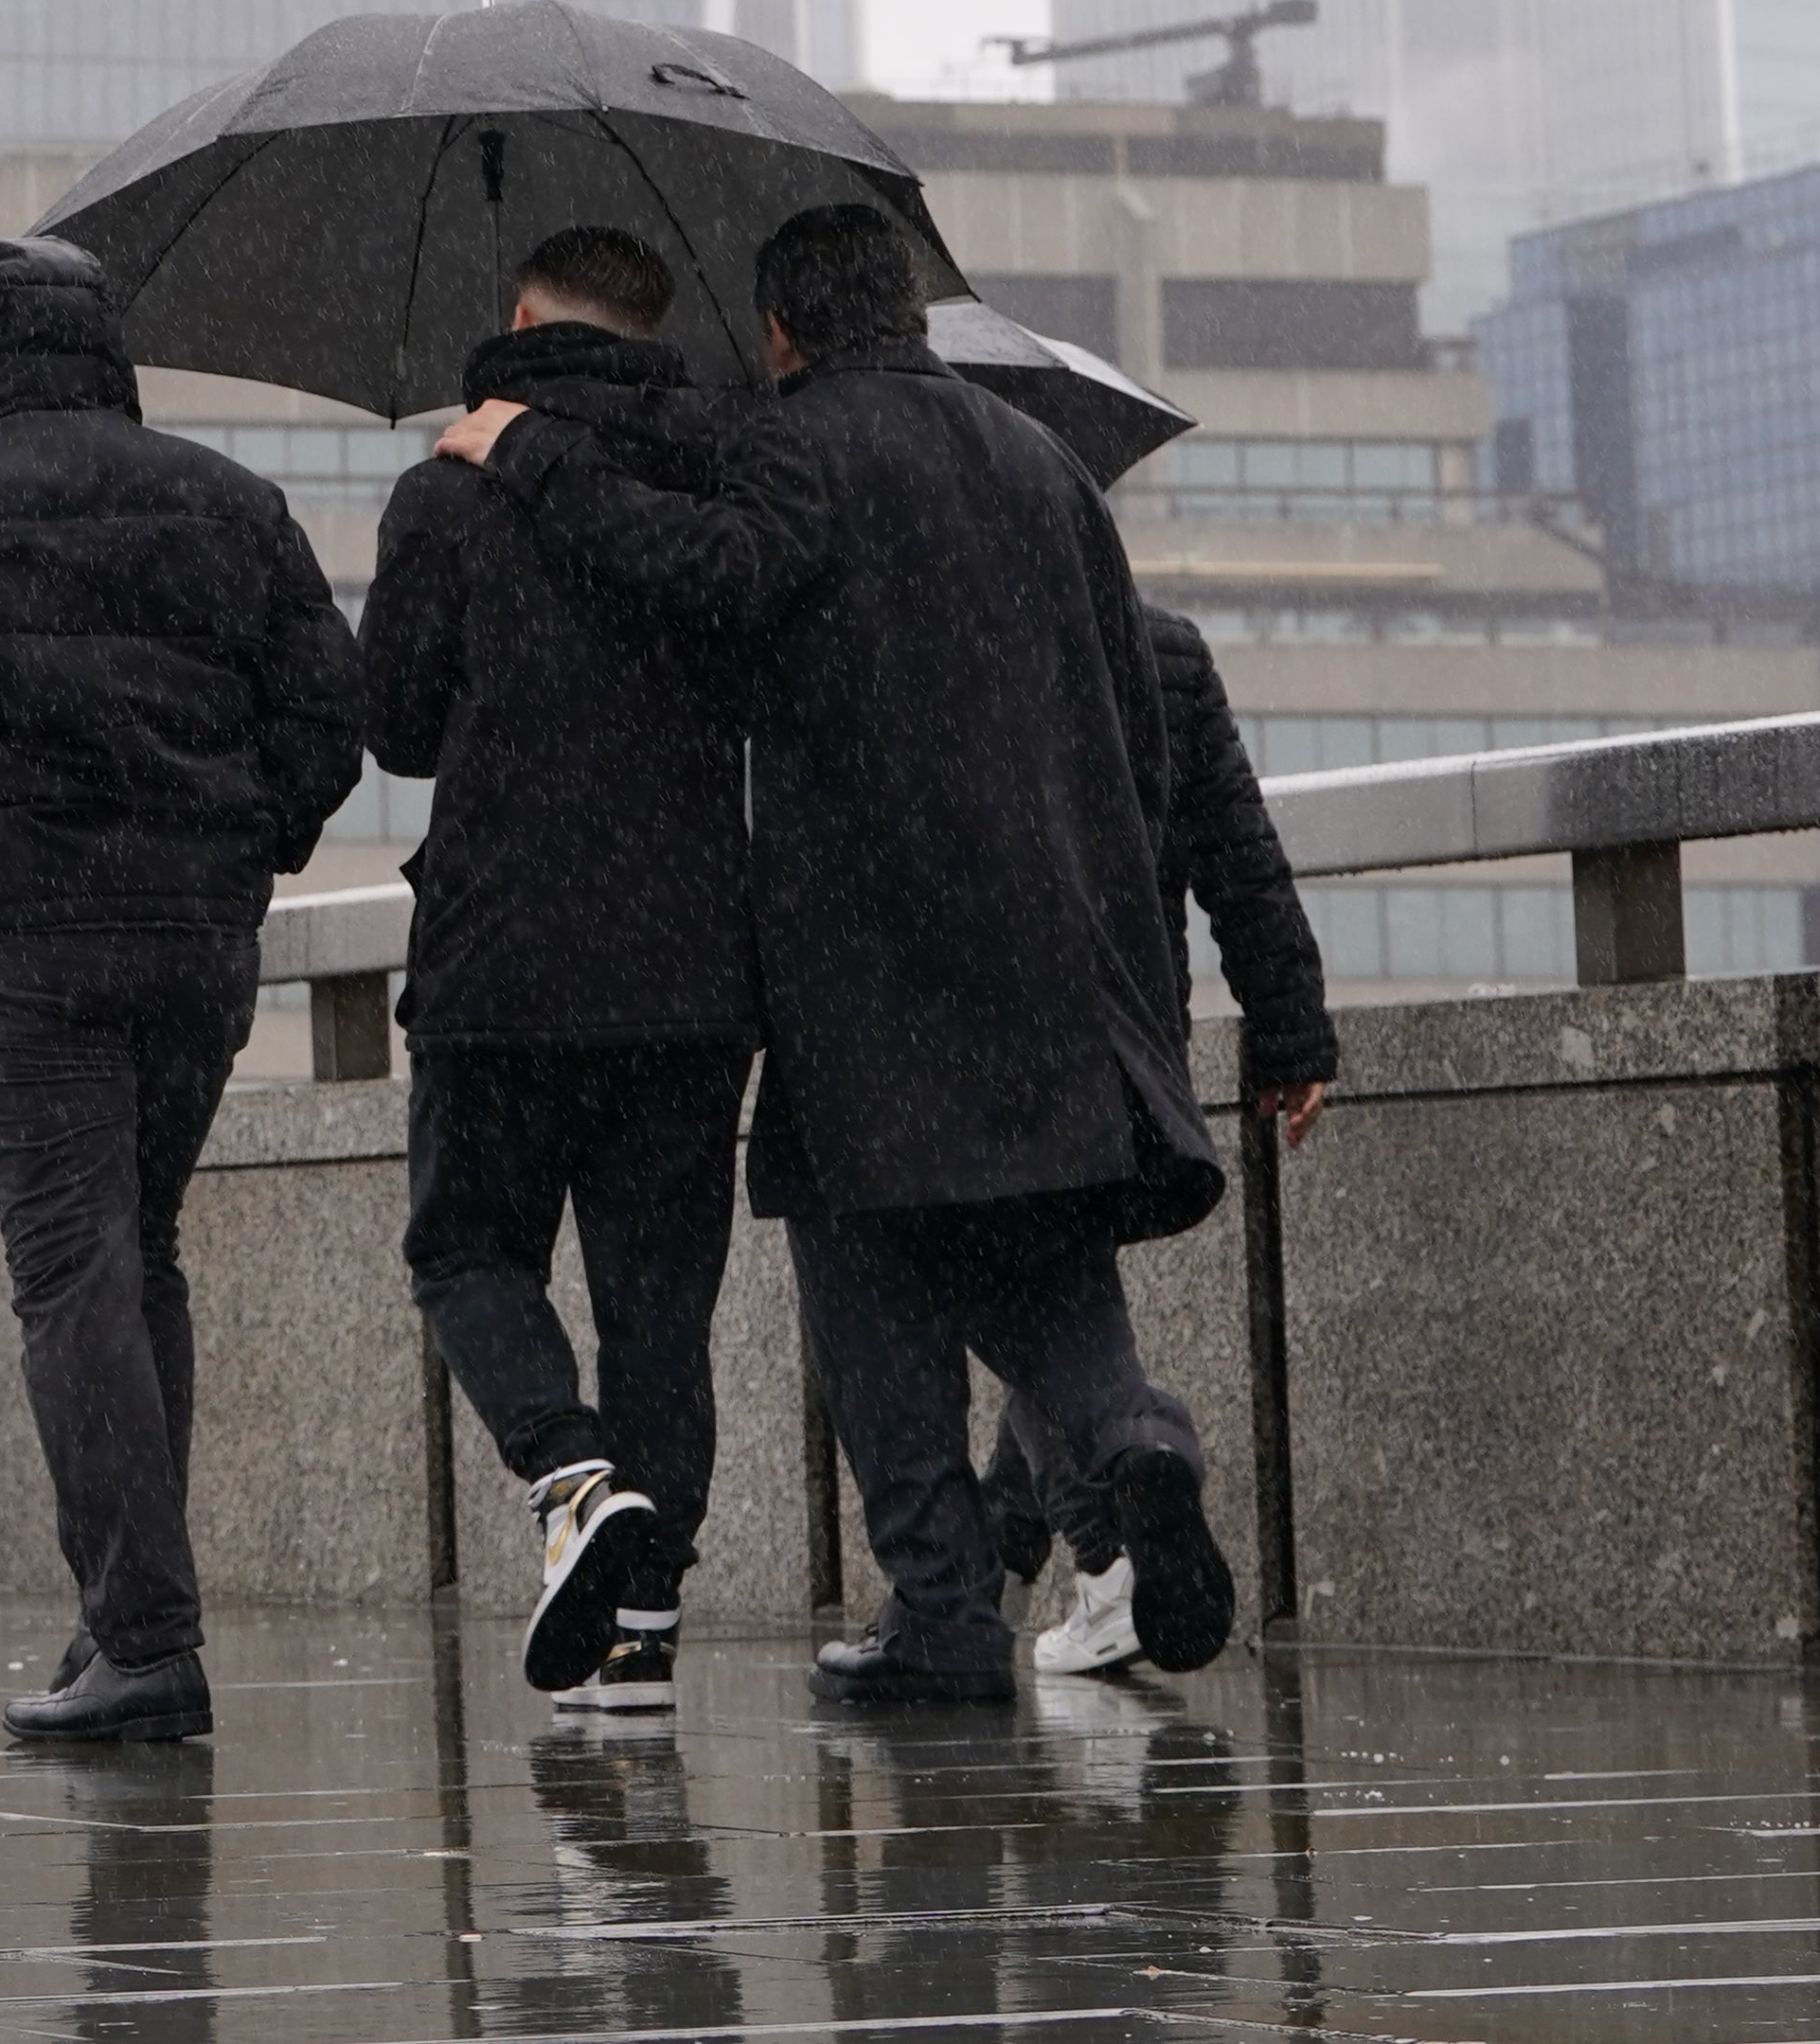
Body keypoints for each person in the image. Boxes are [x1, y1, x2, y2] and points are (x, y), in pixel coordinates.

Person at [440, 201, 1236, 1706]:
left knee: (871, 1288)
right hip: (1062, 960)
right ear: (911, 315)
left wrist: (528, 450)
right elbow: (1136, 728)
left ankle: (940, 1615)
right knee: (1051, 1283)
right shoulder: (1042, 466)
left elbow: (703, 575)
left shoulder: (798, 446)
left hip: (875, 961)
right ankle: (1139, 1447)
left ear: (787, 332)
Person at [0, 238, 366, 1751]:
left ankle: (144, 1631)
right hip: (193, 938)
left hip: (22, 944)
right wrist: (247, 848)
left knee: (70, 1270)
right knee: (141, 1255)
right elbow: (328, 709)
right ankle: (129, 1608)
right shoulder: (227, 500)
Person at [358, 226, 756, 1716]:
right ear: (654, 332)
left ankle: (571, 1476)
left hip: (502, 956)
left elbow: (393, 724)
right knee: (661, 1301)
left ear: (516, 316)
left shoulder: (447, 490)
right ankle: (643, 1636)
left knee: (468, 1252)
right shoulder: (722, 479)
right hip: (690, 964)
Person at [990, 596, 1344, 1677]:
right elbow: (1237, 849)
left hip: (983, 1039)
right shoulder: (1162, 648)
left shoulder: (958, 630)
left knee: (1026, 1297)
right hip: (1135, 1045)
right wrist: (1292, 1034)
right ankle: (1005, 1561)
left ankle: (1108, 1557)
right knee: (1057, 1289)